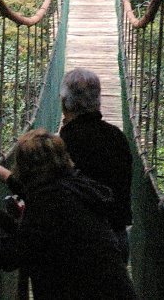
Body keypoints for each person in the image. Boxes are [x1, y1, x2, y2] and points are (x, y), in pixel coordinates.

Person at [0, 129, 136, 299]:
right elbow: (26, 234)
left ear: (25, 167)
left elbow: (8, 256)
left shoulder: (50, 201)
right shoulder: (74, 186)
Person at [57, 67, 133, 259]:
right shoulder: (118, 137)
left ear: (65, 103)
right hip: (116, 239)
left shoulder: (64, 142)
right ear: (98, 101)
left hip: (78, 245)